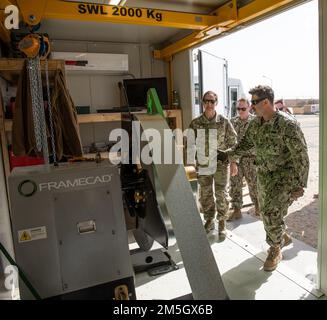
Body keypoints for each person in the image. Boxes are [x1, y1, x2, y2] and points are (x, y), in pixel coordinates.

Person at [219, 85, 309, 271]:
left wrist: (300, 184)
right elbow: (244, 145)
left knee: (269, 212)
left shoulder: (287, 125)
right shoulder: (255, 124)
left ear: (266, 102)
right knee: (269, 213)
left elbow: (301, 156)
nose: (251, 106)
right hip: (263, 176)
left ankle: (275, 249)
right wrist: (226, 155)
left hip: (284, 178)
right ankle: (281, 235)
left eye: (254, 102)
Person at [187, 91, 238, 235]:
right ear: (203, 103)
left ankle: (222, 221)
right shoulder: (196, 123)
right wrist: (191, 164)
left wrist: (234, 162)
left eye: (212, 101)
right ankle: (209, 220)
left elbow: (233, 142)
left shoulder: (224, 122)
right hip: (203, 165)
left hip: (221, 165)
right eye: (206, 101)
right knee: (206, 194)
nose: (209, 104)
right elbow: (190, 144)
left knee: (221, 193)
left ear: (216, 103)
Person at [228, 98, 259, 220]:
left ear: (249, 107)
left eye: (243, 108)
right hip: (236, 159)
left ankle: (258, 206)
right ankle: (236, 210)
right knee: (235, 184)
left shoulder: (256, 122)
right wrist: (232, 161)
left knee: (254, 184)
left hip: (252, 159)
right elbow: (230, 143)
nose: (240, 111)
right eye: (238, 109)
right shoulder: (232, 122)